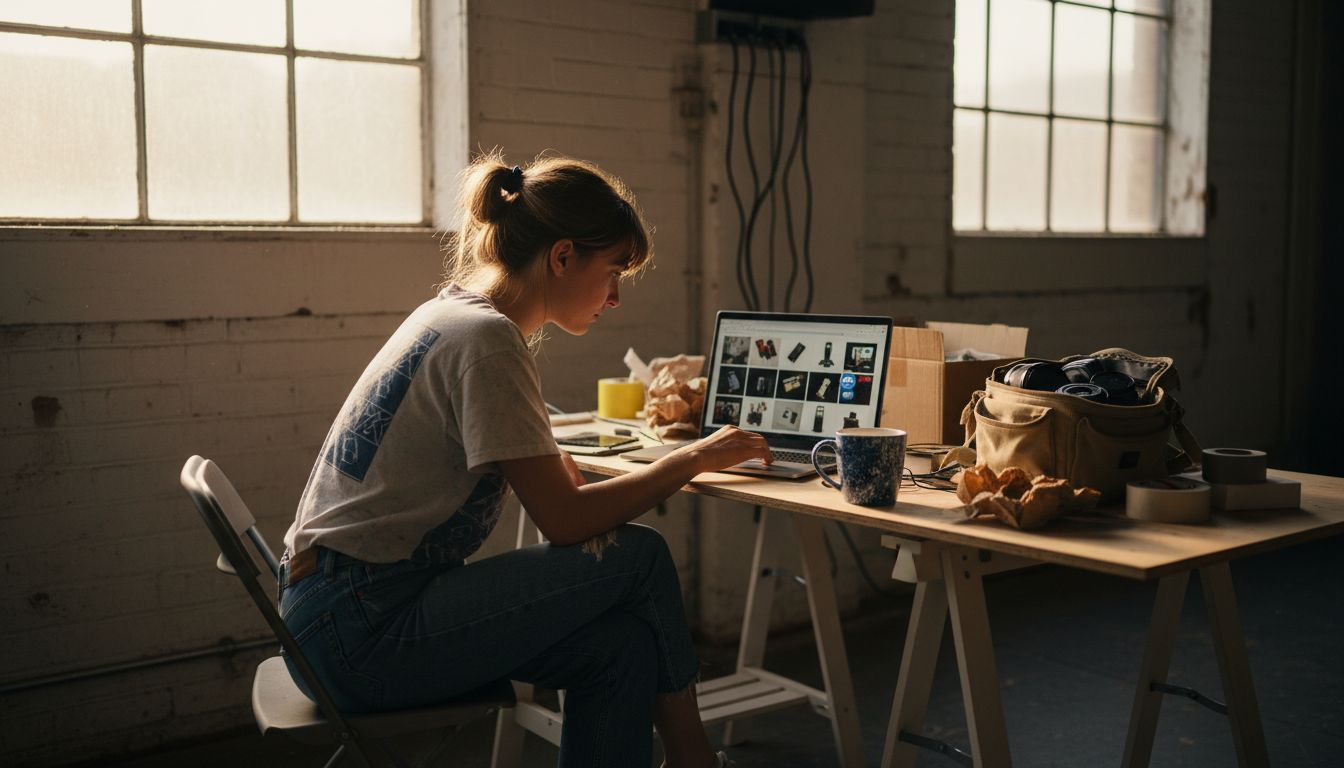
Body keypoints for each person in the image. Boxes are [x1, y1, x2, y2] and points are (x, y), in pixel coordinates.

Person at [279, 151, 772, 768]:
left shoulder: (453, 314)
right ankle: (695, 758)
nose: (615, 297)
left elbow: (552, 481)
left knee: (620, 648)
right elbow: (563, 521)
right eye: (613, 271)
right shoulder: (486, 341)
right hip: (360, 633)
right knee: (641, 556)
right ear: (562, 256)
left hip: (329, 614)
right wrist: (696, 456)